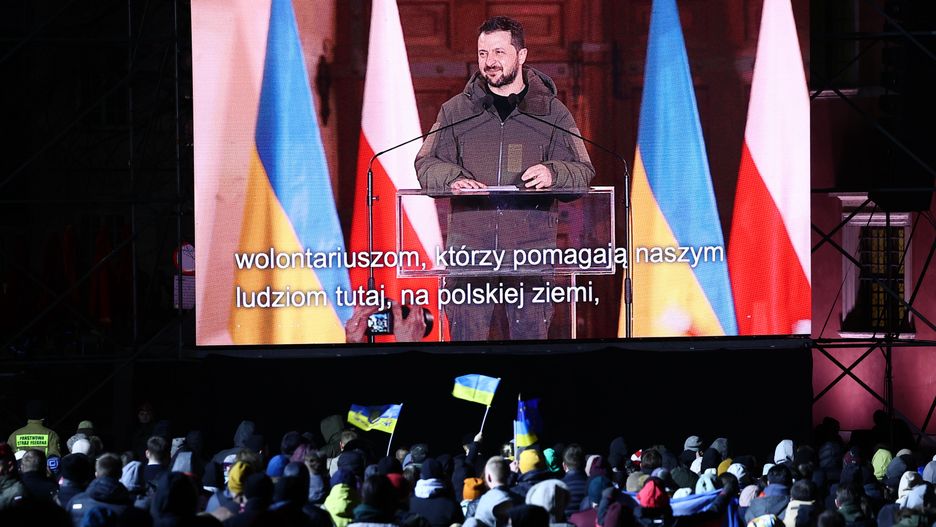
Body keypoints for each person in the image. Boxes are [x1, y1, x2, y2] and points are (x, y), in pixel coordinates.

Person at [415, 15, 595, 341]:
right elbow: (426, 162)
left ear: (521, 56)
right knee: (469, 361)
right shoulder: (455, 111)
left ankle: (525, 395)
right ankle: (473, 396)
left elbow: (583, 172)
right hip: (469, 255)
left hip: (530, 255)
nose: (490, 62)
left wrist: (554, 172)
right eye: (483, 54)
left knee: (527, 355)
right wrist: (452, 177)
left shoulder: (553, 114)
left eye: (499, 52)